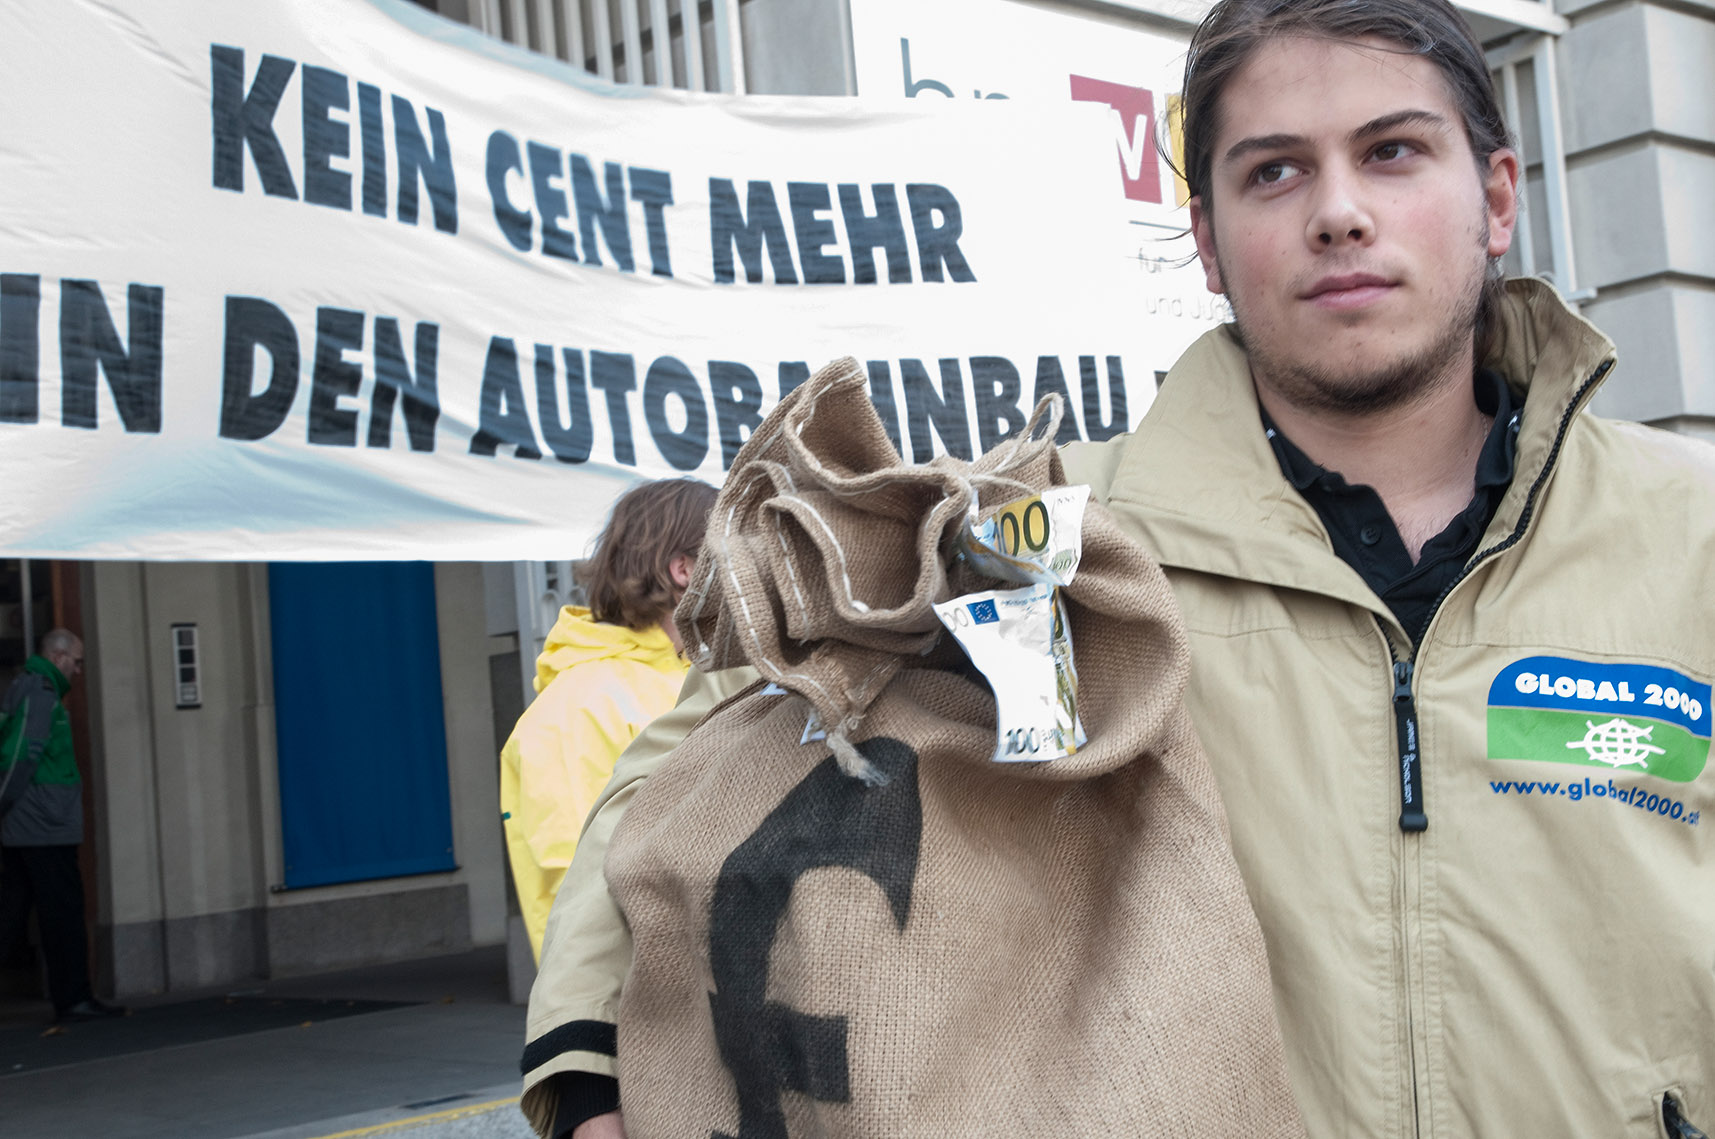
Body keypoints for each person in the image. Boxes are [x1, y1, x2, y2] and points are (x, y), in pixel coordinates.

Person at [521, 2, 1715, 1135]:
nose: (1338, 212)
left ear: (1495, 196)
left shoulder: (1691, 528)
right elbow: (706, 738)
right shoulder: (1045, 531)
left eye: (1393, 152)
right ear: (1203, 240)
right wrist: (582, 1058)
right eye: (1273, 170)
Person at [500, 477, 717, 964]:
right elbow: (580, 895)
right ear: (683, 570)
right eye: (733, 557)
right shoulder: (573, 710)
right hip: (642, 1012)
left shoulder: (703, 676)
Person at [0, 628, 123, 1021]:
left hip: (28, 823)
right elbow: (20, 755)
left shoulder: (28, 688)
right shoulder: (41, 693)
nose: (80, 670)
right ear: (57, 657)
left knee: (12, 911)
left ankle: (73, 996)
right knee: (63, 911)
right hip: (43, 825)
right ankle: (73, 998)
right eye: (77, 661)